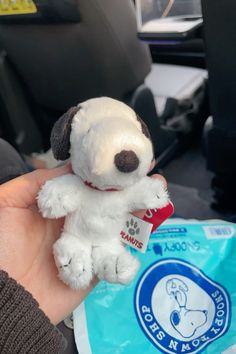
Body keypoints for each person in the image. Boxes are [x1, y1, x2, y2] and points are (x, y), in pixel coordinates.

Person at [0, 139, 166, 353]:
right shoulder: (75, 183)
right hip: (73, 236)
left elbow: (148, 193)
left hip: (104, 240)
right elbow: (57, 195)